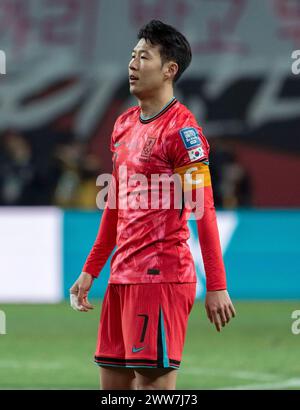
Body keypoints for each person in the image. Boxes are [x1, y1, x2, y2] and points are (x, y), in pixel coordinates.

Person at [70, 20, 236, 390]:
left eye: (143, 57)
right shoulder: (124, 125)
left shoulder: (183, 132)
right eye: (132, 55)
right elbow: (114, 205)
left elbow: (203, 209)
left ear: (169, 70)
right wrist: (91, 269)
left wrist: (217, 286)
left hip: (160, 279)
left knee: (153, 388)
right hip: (121, 276)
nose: (132, 64)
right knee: (112, 385)